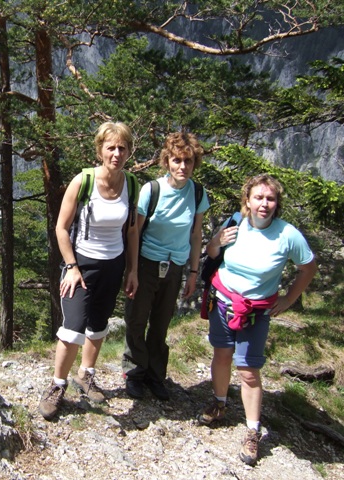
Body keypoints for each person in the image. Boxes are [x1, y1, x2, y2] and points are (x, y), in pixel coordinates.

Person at [196, 174, 317, 466]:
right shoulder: (235, 223)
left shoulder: (288, 235)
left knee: (249, 370)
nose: (264, 204)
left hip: (256, 311)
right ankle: (219, 404)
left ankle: (252, 431)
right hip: (222, 301)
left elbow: (308, 267)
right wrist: (216, 241)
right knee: (221, 355)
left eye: (270, 199)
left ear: (277, 203)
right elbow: (212, 252)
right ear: (247, 200)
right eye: (258, 198)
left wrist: (288, 300)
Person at [38, 121, 139, 421]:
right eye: (111, 147)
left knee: (99, 323)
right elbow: (61, 228)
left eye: (122, 148)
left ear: (129, 151)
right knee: (73, 328)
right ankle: (57, 385)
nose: (117, 154)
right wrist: (71, 267)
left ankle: (86, 374)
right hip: (81, 264)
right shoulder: (83, 181)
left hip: (113, 265)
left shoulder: (131, 184)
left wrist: (132, 269)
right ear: (100, 150)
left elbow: (132, 231)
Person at [122, 132, 209, 401]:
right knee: (137, 319)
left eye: (188, 161)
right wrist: (132, 270)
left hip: (175, 266)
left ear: (194, 163)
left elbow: (196, 234)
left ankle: (155, 375)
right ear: (167, 161)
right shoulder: (152, 190)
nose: (182, 166)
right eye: (177, 160)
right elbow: (135, 232)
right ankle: (134, 373)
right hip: (147, 262)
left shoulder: (197, 193)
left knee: (161, 323)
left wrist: (193, 273)